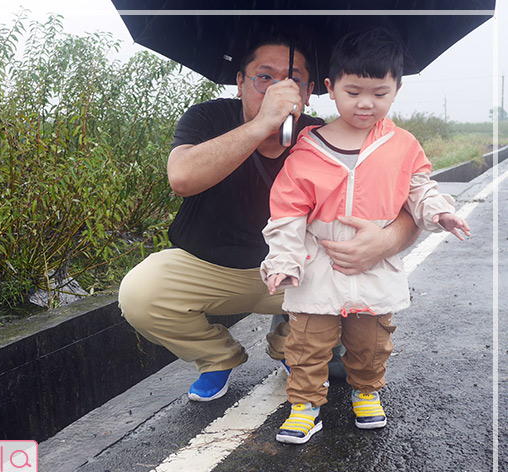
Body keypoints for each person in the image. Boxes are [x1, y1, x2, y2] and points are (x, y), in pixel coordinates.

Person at [118, 34, 421, 403]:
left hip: (297, 271)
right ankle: (217, 357)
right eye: (265, 77)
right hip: (210, 268)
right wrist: (263, 123)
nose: (279, 88)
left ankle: (290, 348)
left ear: (310, 90)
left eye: (292, 79)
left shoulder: (325, 136)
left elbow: (405, 206)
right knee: (140, 293)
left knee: (356, 312)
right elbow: (181, 178)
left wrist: (386, 243)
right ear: (241, 82)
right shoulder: (207, 117)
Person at [261, 28, 471, 445]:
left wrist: (440, 211)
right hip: (318, 262)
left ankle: (367, 391)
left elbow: (419, 188)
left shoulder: (402, 144)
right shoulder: (308, 149)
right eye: (353, 91)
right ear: (330, 88)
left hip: (376, 264)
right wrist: (283, 260)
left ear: (396, 90)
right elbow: (286, 213)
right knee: (306, 342)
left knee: (373, 339)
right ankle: (304, 404)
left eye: (379, 93)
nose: (365, 103)